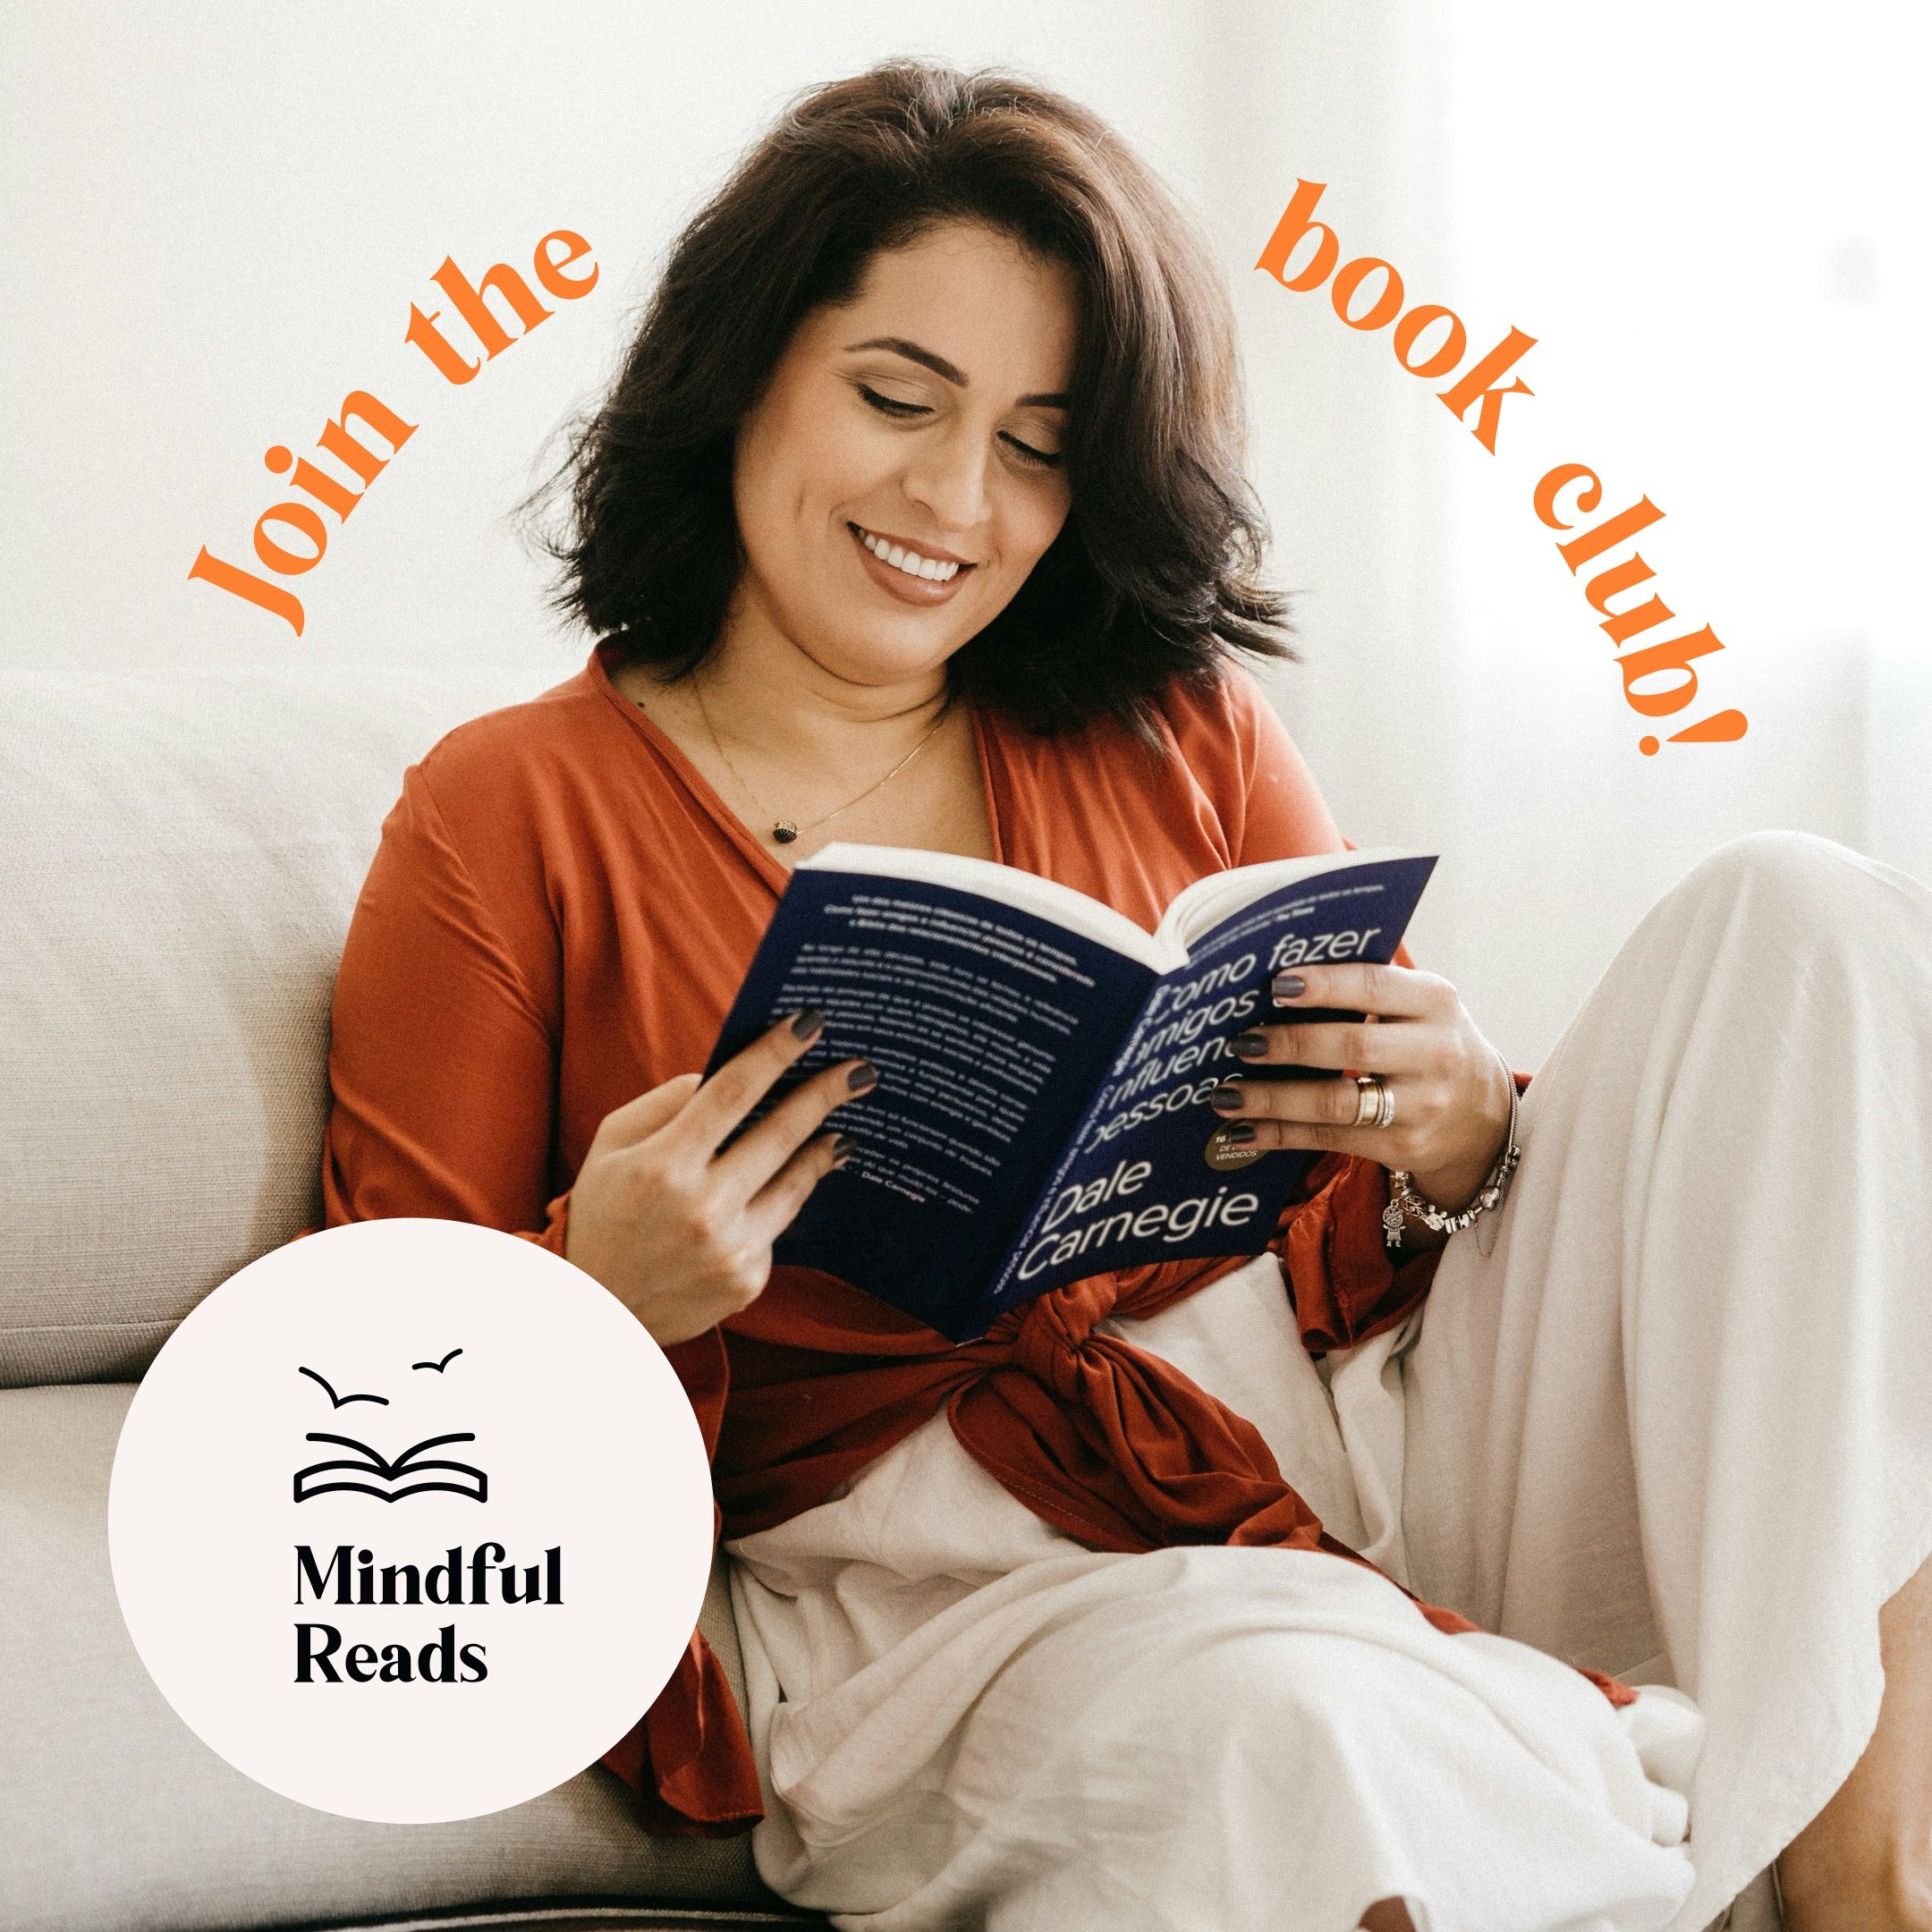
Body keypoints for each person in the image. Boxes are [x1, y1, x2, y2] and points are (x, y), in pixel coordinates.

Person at [321, 57, 1932, 1932]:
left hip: (1357, 1445)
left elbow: (1371, 1228)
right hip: (949, 1590)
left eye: (1037, 442)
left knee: (1810, 925)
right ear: (744, 371)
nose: (955, 496)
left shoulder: (1180, 726)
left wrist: (1462, 1132)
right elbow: (360, 1413)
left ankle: (1863, 1881)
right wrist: (596, 1289)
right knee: (1289, 1729)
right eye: (896, 399)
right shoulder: (504, 810)